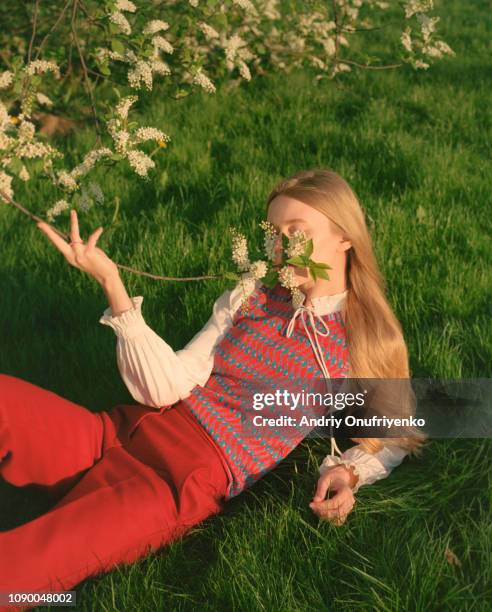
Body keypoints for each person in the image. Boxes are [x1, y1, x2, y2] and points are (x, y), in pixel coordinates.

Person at [0, 168, 425, 598]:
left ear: (344, 237)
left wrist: (347, 473)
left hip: (176, 484)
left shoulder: (363, 336)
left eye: (297, 232)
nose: (281, 248)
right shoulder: (251, 294)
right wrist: (113, 284)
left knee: (26, 566)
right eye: (274, 234)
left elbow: (396, 435)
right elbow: (167, 387)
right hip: (118, 432)